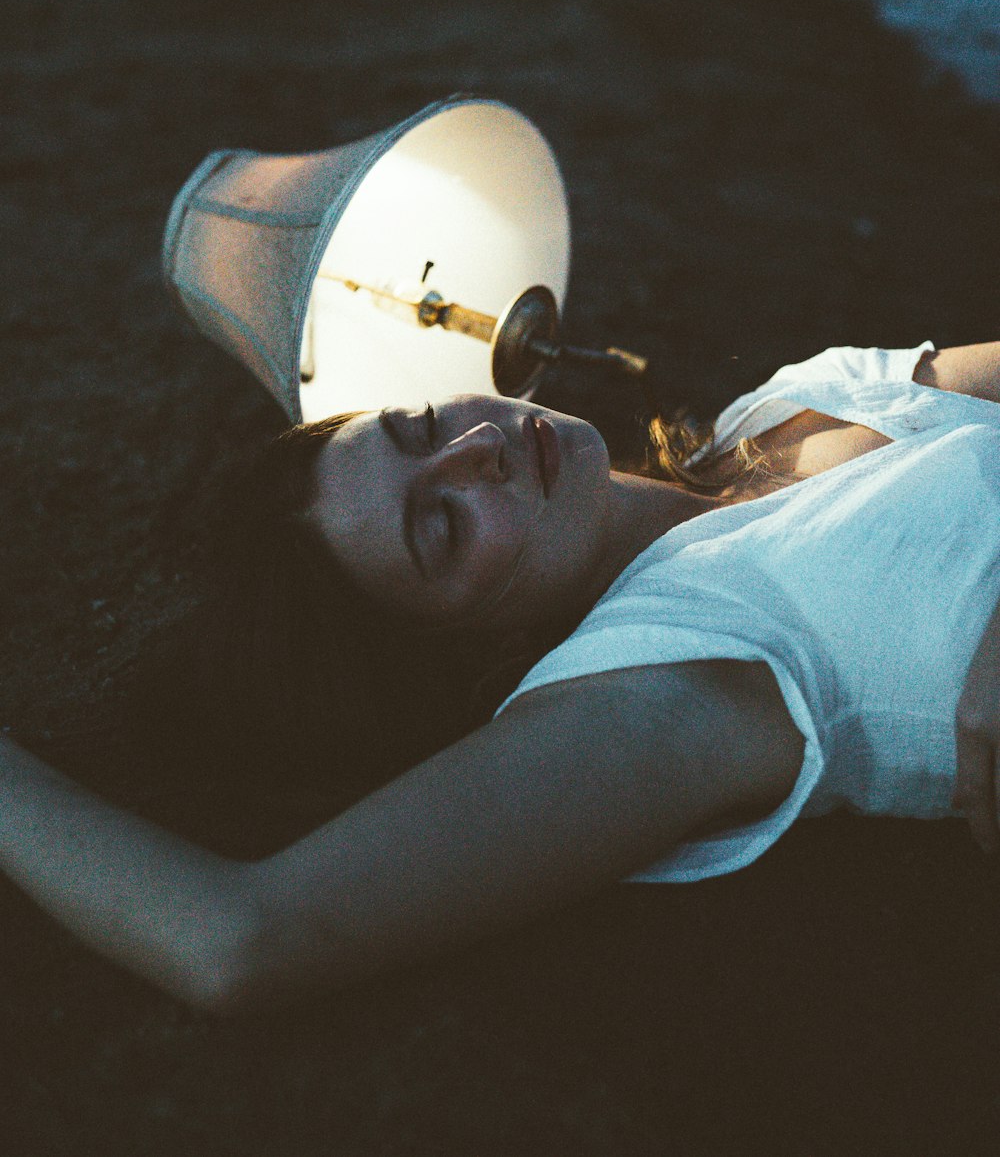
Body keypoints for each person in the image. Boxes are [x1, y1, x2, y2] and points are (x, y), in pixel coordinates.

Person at [2, 338, 999, 1014]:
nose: (477, 448)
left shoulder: (790, 403)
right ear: (472, 646)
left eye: (422, 423)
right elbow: (242, 936)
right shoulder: (661, 669)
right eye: (438, 523)